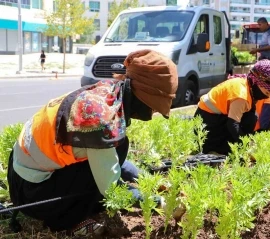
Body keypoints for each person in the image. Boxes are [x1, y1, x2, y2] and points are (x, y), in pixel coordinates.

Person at [7, 50, 178, 237]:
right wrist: (158, 202)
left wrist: (150, 180)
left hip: (22, 175)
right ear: (142, 95)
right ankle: (66, 221)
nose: (153, 112)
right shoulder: (101, 120)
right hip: (33, 195)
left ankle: (76, 205)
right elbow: (112, 190)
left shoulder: (108, 93)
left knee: (116, 151)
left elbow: (114, 161)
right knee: (103, 178)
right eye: (155, 105)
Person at [194, 59, 270, 155]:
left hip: (217, 118)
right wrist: (245, 147)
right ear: (256, 82)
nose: (266, 97)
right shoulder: (241, 95)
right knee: (246, 124)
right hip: (206, 123)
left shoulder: (248, 85)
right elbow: (232, 125)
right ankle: (215, 149)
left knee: (251, 118)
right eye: (266, 93)